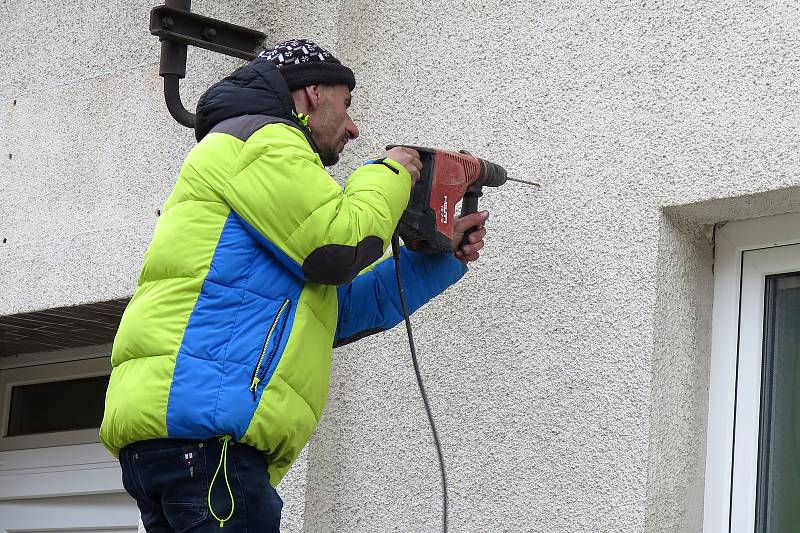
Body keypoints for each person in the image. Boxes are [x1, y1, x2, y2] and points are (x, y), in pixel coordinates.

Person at [100, 39, 489, 531]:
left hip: (192, 451)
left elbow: (335, 311)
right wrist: (393, 170)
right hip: (207, 449)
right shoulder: (260, 142)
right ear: (310, 94)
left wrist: (437, 259)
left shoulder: (259, 166)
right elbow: (338, 246)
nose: (353, 127)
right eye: (346, 105)